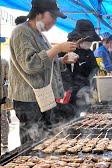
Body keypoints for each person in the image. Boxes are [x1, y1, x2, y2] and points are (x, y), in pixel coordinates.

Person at [9, 0, 78, 145]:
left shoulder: (41, 35)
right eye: (52, 16)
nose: (54, 21)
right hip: (28, 101)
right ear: (38, 13)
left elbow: (46, 64)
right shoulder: (21, 32)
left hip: (42, 98)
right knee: (32, 145)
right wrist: (57, 49)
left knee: (44, 142)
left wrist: (61, 61)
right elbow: (30, 65)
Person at [1, 59, 9, 148]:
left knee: (3, 118)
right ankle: (5, 141)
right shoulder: (3, 61)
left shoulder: (4, 62)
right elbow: (8, 78)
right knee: (3, 118)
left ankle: (4, 141)